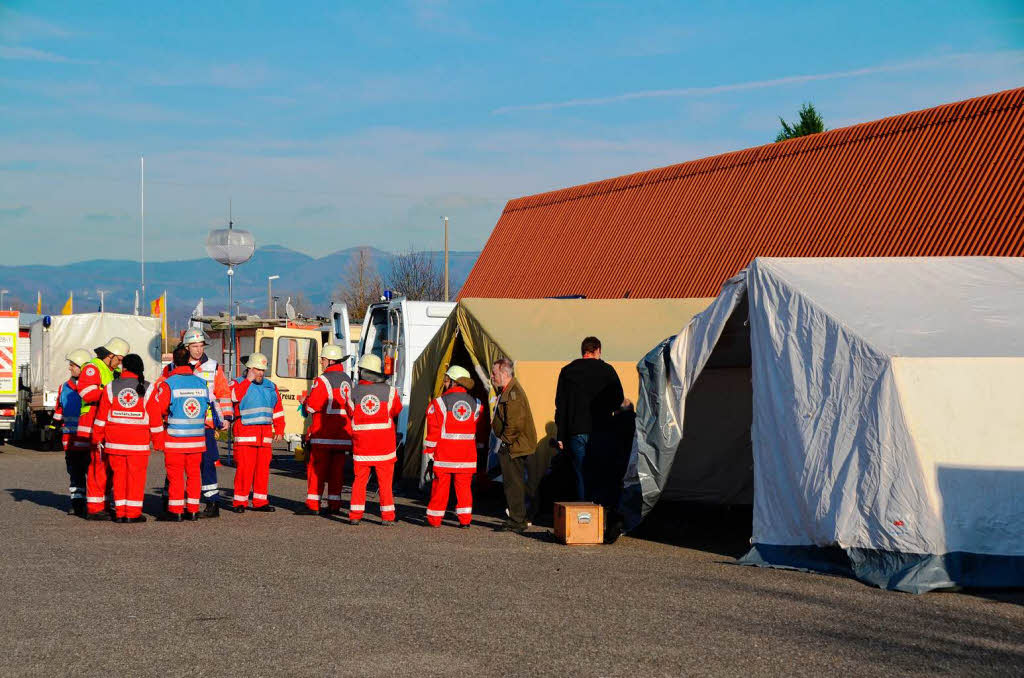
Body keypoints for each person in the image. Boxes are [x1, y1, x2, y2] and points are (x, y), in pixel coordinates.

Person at [554, 336, 628, 506]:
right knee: (600, 473)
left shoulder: (567, 371)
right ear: (597, 351)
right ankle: (600, 514)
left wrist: (561, 435)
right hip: (601, 430)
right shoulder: (607, 370)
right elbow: (618, 398)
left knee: (581, 475)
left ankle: (583, 516)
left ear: (583, 351)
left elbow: (561, 405)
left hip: (576, 431)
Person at [91, 354, 157, 523]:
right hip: (138, 443)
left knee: (119, 477)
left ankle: (120, 513)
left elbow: (101, 417)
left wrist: (97, 437)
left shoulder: (110, 387)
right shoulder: (149, 388)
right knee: (136, 478)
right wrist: (158, 440)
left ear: (124, 368)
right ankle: (133, 514)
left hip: (115, 443)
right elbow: (155, 418)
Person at [150, 346, 210, 521]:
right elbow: (206, 407)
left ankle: (176, 511)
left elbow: (159, 409)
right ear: (189, 361)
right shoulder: (201, 383)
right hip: (197, 440)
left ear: (173, 362)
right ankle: (192, 510)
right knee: (194, 475)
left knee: (175, 476)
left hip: (176, 440)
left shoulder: (169, 383)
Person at [180, 328, 231, 518]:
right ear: (187, 347)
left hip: (206, 426)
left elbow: (224, 393)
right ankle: (176, 502)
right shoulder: (175, 367)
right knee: (180, 465)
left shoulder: (213, 366)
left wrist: (226, 417)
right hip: (182, 425)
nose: (198, 350)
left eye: (201, 346)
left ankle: (212, 502)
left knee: (207, 464)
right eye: (194, 346)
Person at [344, 354, 401, 525]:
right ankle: (388, 517)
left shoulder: (353, 392)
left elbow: (350, 412)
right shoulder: (390, 391)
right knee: (385, 483)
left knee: (359, 481)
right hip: (384, 447)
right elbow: (396, 410)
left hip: (362, 446)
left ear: (362, 371)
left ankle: (355, 515)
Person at [423, 365, 482, 528]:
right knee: (464, 489)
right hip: (467, 456)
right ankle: (465, 520)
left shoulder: (439, 403)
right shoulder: (476, 404)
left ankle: (434, 520)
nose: (444, 383)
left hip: (445, 455)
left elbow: (433, 431)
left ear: (455, 382)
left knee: (440, 488)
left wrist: (429, 452)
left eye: (447, 380)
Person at [78, 337, 129, 520]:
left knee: (106, 467)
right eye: (120, 359)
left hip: (105, 423)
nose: (120, 363)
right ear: (110, 355)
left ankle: (104, 504)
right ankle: (94, 508)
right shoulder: (93, 367)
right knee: (98, 465)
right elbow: (86, 392)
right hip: (93, 422)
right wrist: (110, 393)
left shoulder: (111, 371)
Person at [300, 344, 353, 515]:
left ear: (330, 360)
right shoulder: (347, 379)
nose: (321, 363)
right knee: (337, 474)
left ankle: (313, 505)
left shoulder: (322, 380)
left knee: (317, 472)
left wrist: (305, 401)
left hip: (324, 435)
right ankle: (334, 505)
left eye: (323, 360)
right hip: (343, 436)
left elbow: (313, 407)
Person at [229, 353, 284, 513]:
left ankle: (260, 502)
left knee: (262, 471)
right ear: (249, 368)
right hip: (245, 433)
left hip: (264, 435)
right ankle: (240, 502)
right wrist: (247, 381)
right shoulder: (238, 383)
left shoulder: (270, 386)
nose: (260, 373)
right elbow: (233, 397)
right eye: (257, 369)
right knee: (244, 470)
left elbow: (278, 410)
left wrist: (279, 429)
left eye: (262, 370)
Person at [490, 358, 539, 533]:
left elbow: (515, 423)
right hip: (518, 444)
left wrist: (505, 441)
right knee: (519, 483)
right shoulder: (508, 391)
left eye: (494, 373)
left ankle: (517, 519)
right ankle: (521, 517)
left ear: (504, 374)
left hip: (515, 446)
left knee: (513, 484)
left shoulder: (513, 394)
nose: (492, 377)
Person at [52, 348, 92, 517]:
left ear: (82, 367)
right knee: (75, 473)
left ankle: (96, 503)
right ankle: (77, 504)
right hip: (70, 440)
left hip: (89, 438)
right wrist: (53, 429)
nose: (69, 368)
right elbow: (59, 411)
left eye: (72, 365)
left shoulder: (92, 388)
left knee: (93, 472)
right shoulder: (64, 387)